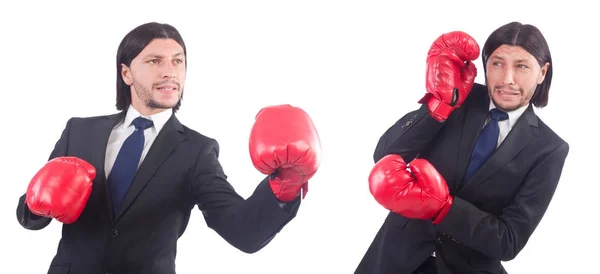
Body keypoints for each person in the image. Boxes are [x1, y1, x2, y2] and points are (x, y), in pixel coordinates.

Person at [16, 22, 322, 274]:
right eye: (154, 61)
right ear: (126, 73)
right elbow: (32, 216)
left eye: (178, 61)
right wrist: (34, 204)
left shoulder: (197, 151)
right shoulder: (80, 131)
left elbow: (243, 231)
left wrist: (286, 185)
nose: (170, 72)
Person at [354, 22, 569, 274]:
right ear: (486, 65)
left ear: (542, 72)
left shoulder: (549, 149)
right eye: (497, 63)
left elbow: (509, 241)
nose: (507, 79)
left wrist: (444, 208)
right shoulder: (458, 96)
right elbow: (386, 154)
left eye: (521, 66)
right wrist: (439, 106)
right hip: (392, 260)